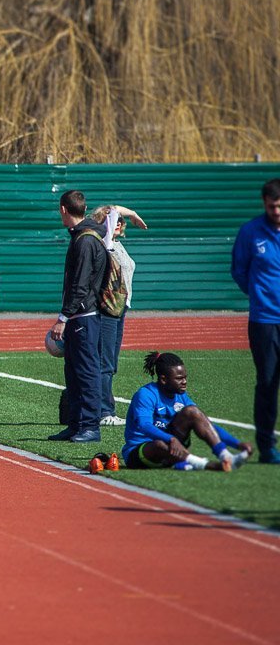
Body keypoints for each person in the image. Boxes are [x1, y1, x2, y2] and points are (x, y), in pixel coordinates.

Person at [122, 351, 252, 471]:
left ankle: (225, 456)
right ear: (163, 379)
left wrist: (238, 444)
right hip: (141, 453)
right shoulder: (146, 394)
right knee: (159, 444)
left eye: (185, 377)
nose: (184, 382)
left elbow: (206, 425)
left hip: (173, 449)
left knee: (193, 412)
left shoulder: (181, 395)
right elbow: (144, 426)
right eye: (179, 378)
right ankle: (205, 464)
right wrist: (171, 438)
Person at [48, 189, 107, 443]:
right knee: (72, 372)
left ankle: (90, 426)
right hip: (80, 316)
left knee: (86, 372)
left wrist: (63, 317)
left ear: (63, 209)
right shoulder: (84, 235)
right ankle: (75, 424)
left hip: (84, 316)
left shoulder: (85, 240)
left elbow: (80, 285)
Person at [231, 178, 280, 464]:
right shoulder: (250, 232)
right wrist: (259, 295)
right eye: (273, 206)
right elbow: (239, 270)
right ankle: (267, 446)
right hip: (264, 321)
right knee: (267, 383)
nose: (277, 212)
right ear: (264, 203)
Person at [91, 204, 148, 427]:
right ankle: (105, 411)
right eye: (114, 221)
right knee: (105, 362)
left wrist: (130, 217)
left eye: (121, 223)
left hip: (120, 308)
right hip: (107, 310)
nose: (119, 224)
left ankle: (99, 408)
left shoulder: (118, 244)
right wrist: (131, 213)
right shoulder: (104, 245)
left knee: (110, 362)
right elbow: (112, 209)